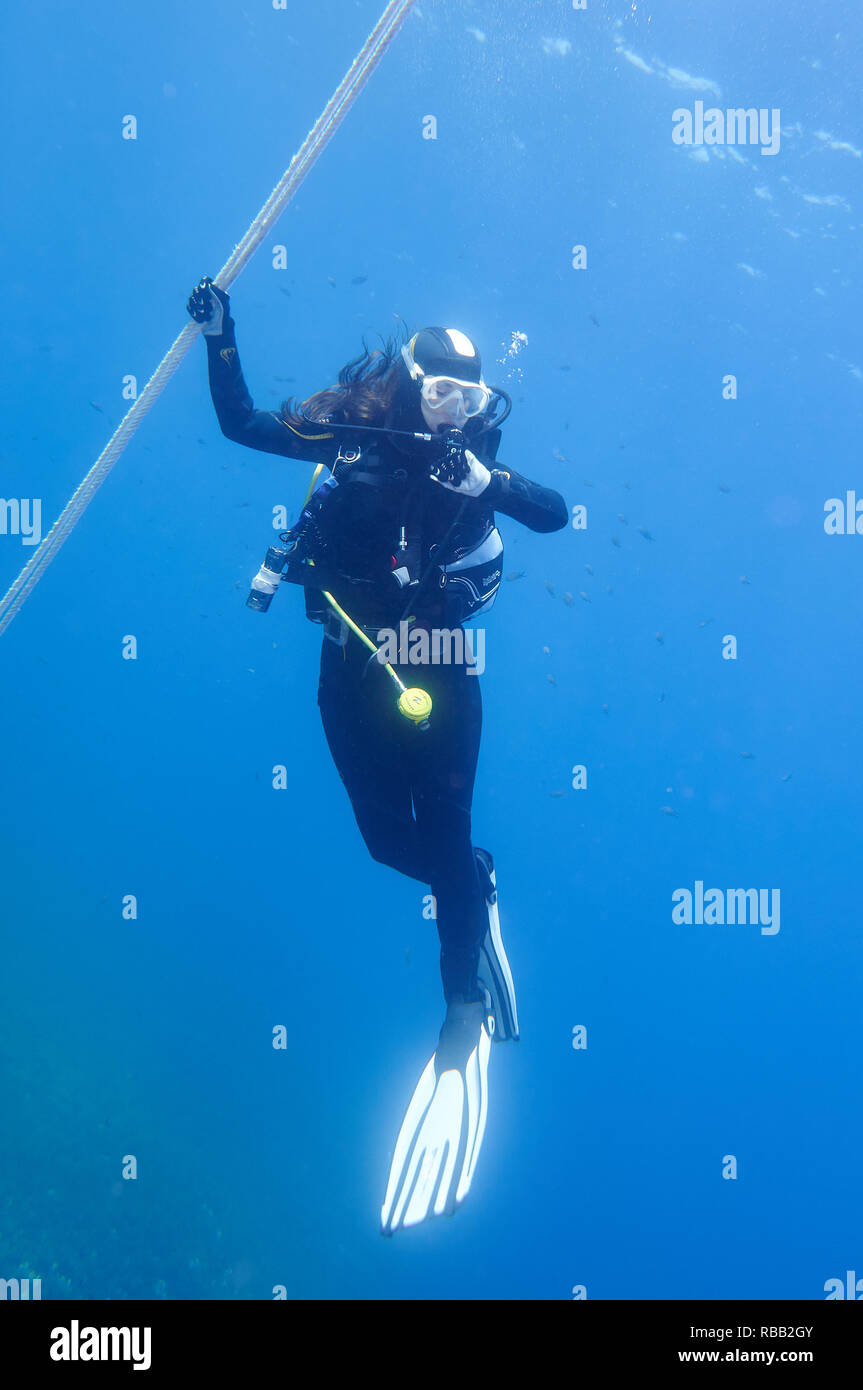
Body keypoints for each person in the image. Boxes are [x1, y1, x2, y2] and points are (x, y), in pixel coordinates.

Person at [187, 277, 568, 1233]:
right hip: (350, 663)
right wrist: (219, 336)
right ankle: (473, 884)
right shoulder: (349, 434)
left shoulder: (469, 460)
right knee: (381, 843)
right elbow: (239, 426)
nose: (453, 413)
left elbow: (553, 513)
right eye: (440, 394)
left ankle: (458, 1017)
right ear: (407, 381)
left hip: (440, 664)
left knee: (441, 832)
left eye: (469, 402)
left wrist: (488, 480)